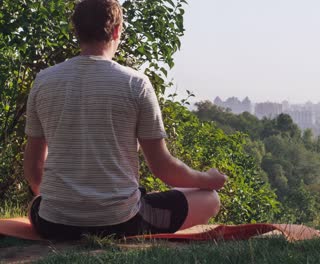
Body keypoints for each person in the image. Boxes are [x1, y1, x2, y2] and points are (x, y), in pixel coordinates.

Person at [24, 0, 227, 240]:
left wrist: (66, 204)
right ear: (117, 30)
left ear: (76, 31)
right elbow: (162, 167)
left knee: (37, 203)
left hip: (53, 224)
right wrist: (207, 179)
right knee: (209, 199)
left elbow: (34, 171)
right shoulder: (136, 84)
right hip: (122, 223)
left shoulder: (43, 81)